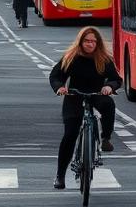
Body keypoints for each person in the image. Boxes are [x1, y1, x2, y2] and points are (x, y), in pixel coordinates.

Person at [49, 27, 121, 190]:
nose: (90, 44)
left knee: (109, 104)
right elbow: (55, 76)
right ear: (81, 42)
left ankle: (106, 138)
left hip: (97, 93)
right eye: (87, 41)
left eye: (94, 42)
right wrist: (60, 87)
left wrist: (109, 86)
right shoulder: (71, 57)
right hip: (74, 95)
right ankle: (60, 175)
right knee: (70, 133)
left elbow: (116, 79)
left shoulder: (104, 59)